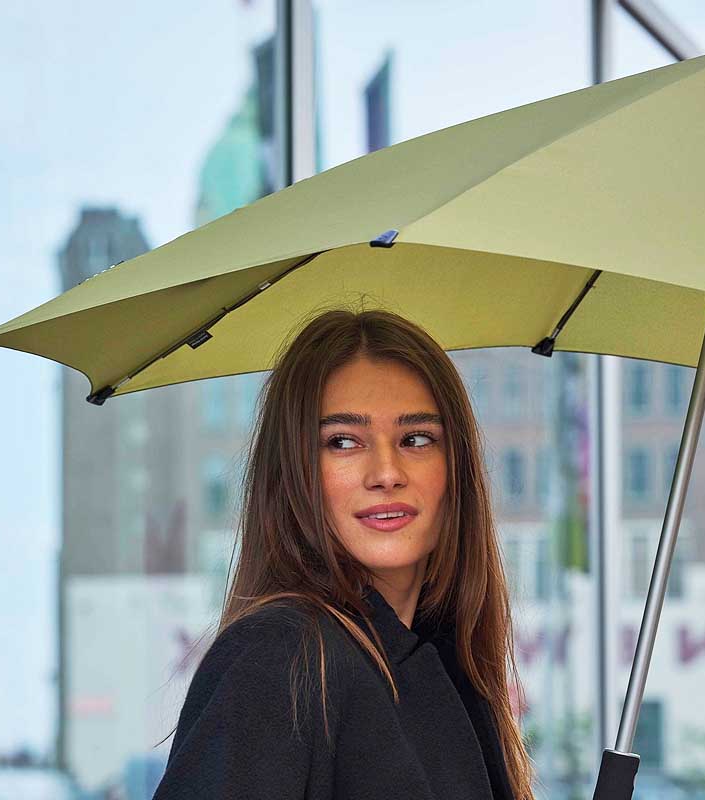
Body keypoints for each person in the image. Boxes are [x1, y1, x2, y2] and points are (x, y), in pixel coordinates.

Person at [151, 309, 534, 799]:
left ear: (455, 469)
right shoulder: (279, 657)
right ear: (293, 474)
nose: (386, 472)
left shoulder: (454, 669)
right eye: (343, 442)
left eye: (416, 439)